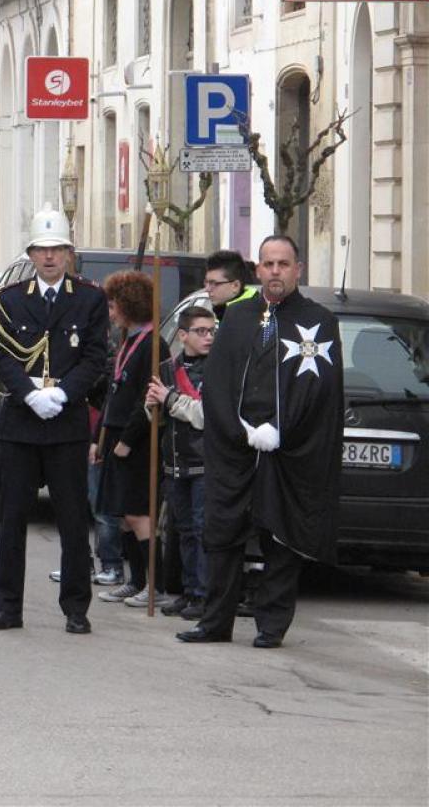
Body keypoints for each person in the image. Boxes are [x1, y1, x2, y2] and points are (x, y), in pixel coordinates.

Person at [179, 236, 343, 648]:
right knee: (221, 535)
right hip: (236, 448)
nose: (275, 271)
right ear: (257, 270)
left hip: (288, 452)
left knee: (280, 540)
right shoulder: (236, 318)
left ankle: (272, 624)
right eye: (268, 264)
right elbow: (217, 382)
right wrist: (240, 429)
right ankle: (215, 622)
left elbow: (320, 394)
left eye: (283, 264)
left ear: (297, 269)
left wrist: (280, 430)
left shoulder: (319, 321)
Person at [0, 206, 108, 634]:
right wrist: (31, 394)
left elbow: (95, 356)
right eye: (42, 249)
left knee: (73, 521)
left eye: (57, 250)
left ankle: (76, 607)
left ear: (69, 253)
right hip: (22, 420)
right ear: (31, 254)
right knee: (12, 520)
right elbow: (0, 354)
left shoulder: (90, 298)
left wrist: (63, 392)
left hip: (67, 422)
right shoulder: (10, 299)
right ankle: (7, 607)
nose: (50, 257)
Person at [93, 270, 161, 610]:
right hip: (116, 433)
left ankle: (153, 584)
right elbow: (113, 393)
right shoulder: (127, 339)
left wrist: (128, 440)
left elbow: (145, 399)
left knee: (138, 514)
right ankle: (135, 581)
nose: (111, 310)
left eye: (114, 303)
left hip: (136, 439)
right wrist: (98, 438)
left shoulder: (152, 342)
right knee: (121, 515)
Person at [146, 305, 215, 621]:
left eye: (212, 330)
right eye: (201, 331)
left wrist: (170, 400)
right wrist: (152, 405)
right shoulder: (167, 368)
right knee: (183, 531)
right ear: (183, 335)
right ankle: (188, 591)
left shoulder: (217, 369)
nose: (209, 337)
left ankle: (203, 594)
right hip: (174, 462)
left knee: (202, 532)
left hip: (203, 463)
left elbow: (205, 417)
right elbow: (156, 417)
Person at [205, 249, 257, 321]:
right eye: (206, 282)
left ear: (235, 286)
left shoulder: (251, 318)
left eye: (214, 283)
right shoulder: (223, 312)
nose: (207, 289)